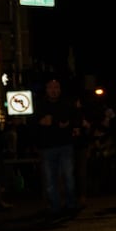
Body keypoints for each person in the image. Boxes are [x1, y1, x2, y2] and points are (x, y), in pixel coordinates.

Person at [33, 77, 83, 221]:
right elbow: (37, 122)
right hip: (47, 146)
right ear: (47, 90)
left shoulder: (66, 103)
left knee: (68, 176)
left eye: (56, 88)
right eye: (51, 88)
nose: (54, 91)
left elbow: (71, 119)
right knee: (50, 179)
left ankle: (70, 204)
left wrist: (55, 121)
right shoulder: (40, 105)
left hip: (64, 144)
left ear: (60, 90)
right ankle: (55, 207)